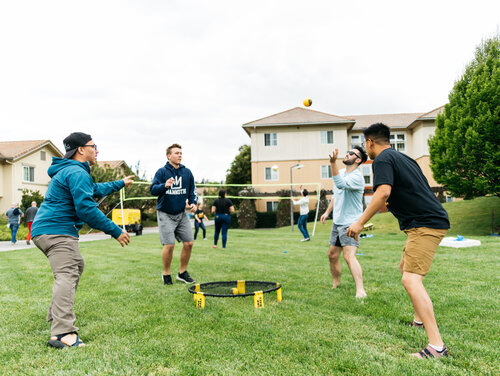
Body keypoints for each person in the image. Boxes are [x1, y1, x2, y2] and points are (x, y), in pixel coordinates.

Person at [346, 123, 450, 359]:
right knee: (406, 269)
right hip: (424, 222)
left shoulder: (382, 160)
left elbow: (383, 192)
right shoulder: (405, 159)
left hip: (425, 224)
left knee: (411, 280)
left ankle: (437, 347)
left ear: (370, 142)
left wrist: (360, 222)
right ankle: (418, 322)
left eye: (364, 144)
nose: (365, 147)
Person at [31, 132, 134, 349]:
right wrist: (115, 230)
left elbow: (94, 190)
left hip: (49, 229)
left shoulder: (72, 171)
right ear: (81, 150)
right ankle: (62, 333)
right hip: (57, 231)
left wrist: (120, 183)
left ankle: (55, 315)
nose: (97, 150)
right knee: (67, 274)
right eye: (93, 146)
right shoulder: (76, 172)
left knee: (76, 266)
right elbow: (86, 209)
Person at [320, 146, 368, 298]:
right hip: (338, 221)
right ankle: (336, 283)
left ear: (358, 160)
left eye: (352, 153)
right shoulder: (340, 173)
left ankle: (361, 290)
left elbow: (340, 184)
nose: (348, 154)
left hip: (350, 222)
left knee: (349, 256)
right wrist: (327, 212)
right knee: (332, 255)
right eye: (348, 151)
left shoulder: (357, 177)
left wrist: (332, 162)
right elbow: (336, 194)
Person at [150, 143, 197, 285]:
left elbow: (192, 190)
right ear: (169, 156)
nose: (180, 155)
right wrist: (164, 185)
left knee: (189, 243)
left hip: (181, 213)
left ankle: (182, 273)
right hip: (165, 213)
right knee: (169, 245)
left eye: (181, 153)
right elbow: (153, 189)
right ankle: (166, 274)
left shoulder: (187, 172)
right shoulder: (161, 172)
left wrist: (193, 202)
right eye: (176, 153)